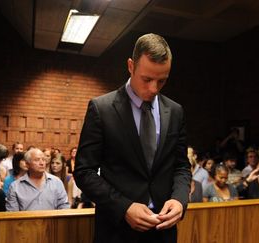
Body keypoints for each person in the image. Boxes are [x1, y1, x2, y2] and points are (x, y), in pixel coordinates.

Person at [74, 33, 192, 243]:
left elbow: (181, 166)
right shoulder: (101, 109)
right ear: (131, 66)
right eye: (146, 79)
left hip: (163, 231)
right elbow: (84, 172)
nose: (153, 89)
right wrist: (124, 207)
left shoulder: (175, 111)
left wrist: (179, 200)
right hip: (116, 230)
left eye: (162, 81)